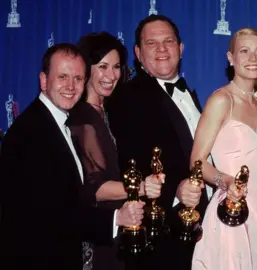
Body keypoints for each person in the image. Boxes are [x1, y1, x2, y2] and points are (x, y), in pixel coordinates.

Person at [0, 43, 144, 269]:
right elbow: (53, 212)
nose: (71, 86)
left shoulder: (54, 123)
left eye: (78, 78)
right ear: (44, 80)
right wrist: (115, 218)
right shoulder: (32, 133)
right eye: (62, 77)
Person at [105, 15, 211, 270]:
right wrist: (175, 189)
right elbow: (131, 161)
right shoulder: (126, 98)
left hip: (201, 231)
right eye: (152, 43)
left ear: (181, 48)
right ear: (138, 53)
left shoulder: (192, 95)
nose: (162, 49)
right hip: (160, 238)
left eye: (168, 41)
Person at [190, 27, 257, 270]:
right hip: (235, 210)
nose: (252, 58)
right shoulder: (221, 100)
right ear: (230, 57)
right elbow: (196, 162)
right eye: (244, 51)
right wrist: (226, 182)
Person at [67, 32, 163, 270]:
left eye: (117, 66)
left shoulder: (105, 112)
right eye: (103, 66)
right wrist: (140, 187)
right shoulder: (84, 120)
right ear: (87, 69)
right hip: (99, 233)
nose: (111, 75)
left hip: (117, 228)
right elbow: (94, 188)